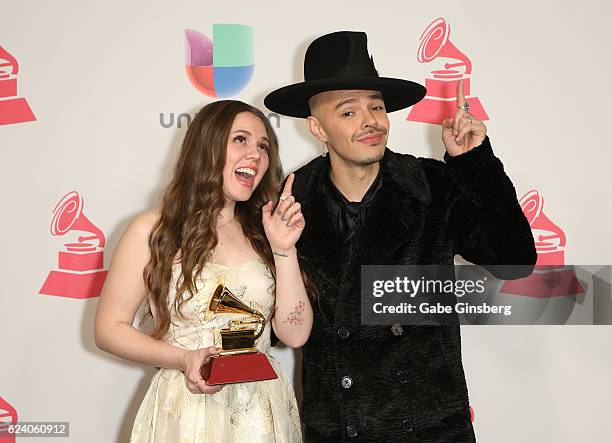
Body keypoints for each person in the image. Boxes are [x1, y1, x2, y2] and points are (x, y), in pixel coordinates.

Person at [264, 31, 537, 441]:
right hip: (338, 428)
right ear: (317, 128)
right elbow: (275, 324)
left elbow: (515, 260)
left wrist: (474, 164)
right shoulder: (289, 202)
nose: (371, 120)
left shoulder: (430, 186)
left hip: (431, 429)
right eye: (349, 112)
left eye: (376, 106)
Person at [94, 100, 312, 442]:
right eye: (240, 139)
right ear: (206, 146)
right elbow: (109, 328)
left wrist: (284, 248)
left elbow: (295, 335)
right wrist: (183, 359)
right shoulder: (153, 229)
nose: (255, 154)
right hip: (187, 410)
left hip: (260, 412)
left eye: (263, 146)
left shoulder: (266, 232)